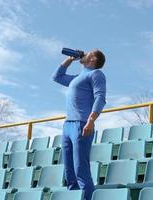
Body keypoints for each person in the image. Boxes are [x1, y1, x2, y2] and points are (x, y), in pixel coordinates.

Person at [52, 49, 106, 200]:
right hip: (68, 125)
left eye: (88, 53)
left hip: (82, 124)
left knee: (81, 170)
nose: (84, 53)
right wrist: (70, 59)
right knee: (70, 173)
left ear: (93, 59)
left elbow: (100, 97)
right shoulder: (77, 77)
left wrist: (91, 120)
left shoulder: (96, 74)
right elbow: (57, 76)